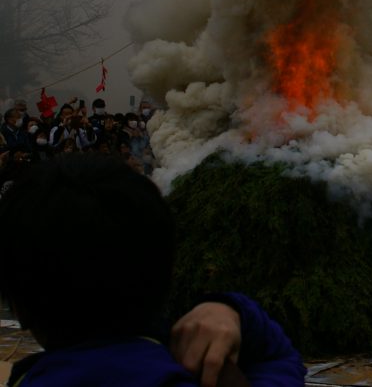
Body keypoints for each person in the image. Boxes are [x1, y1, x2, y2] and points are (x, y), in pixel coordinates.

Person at [0, 154, 306, 386]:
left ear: (17, 303)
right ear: (167, 272)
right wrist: (234, 310)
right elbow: (280, 360)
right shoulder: (203, 375)